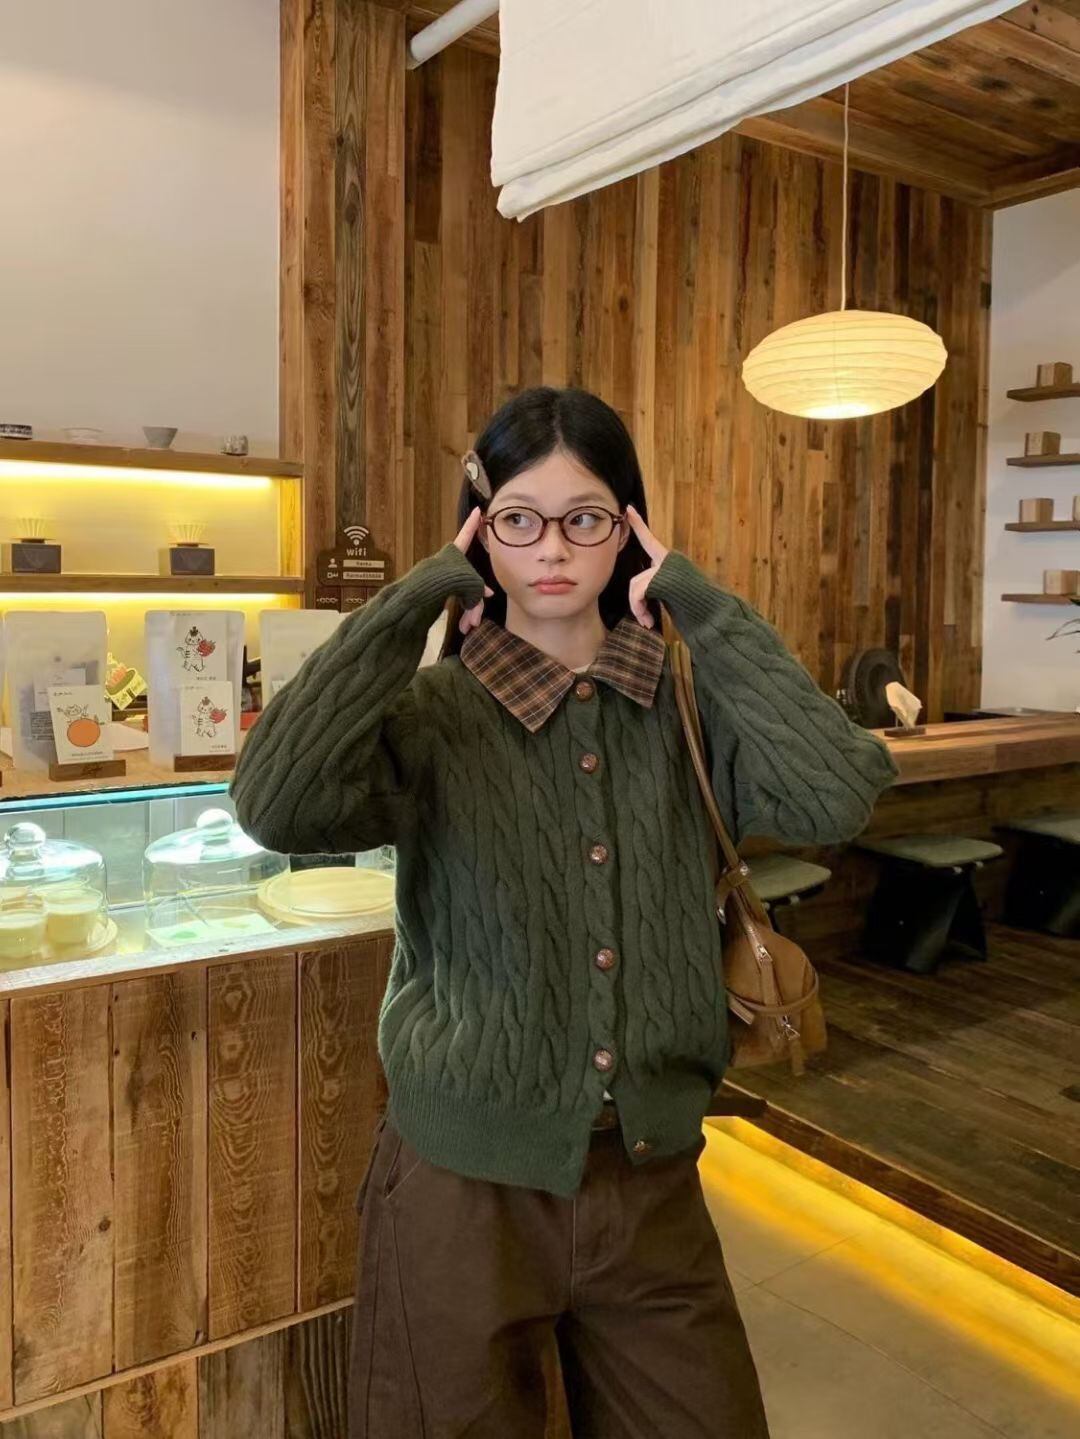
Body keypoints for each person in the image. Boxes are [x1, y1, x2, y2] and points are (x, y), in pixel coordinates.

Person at [230, 386, 899, 1438]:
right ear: (480, 533)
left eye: (585, 516)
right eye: (518, 519)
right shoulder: (433, 714)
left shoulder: (684, 702)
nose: (552, 547)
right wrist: (413, 602)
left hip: (653, 1179)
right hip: (460, 1187)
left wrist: (703, 607)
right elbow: (272, 802)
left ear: (629, 528)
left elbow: (838, 792)